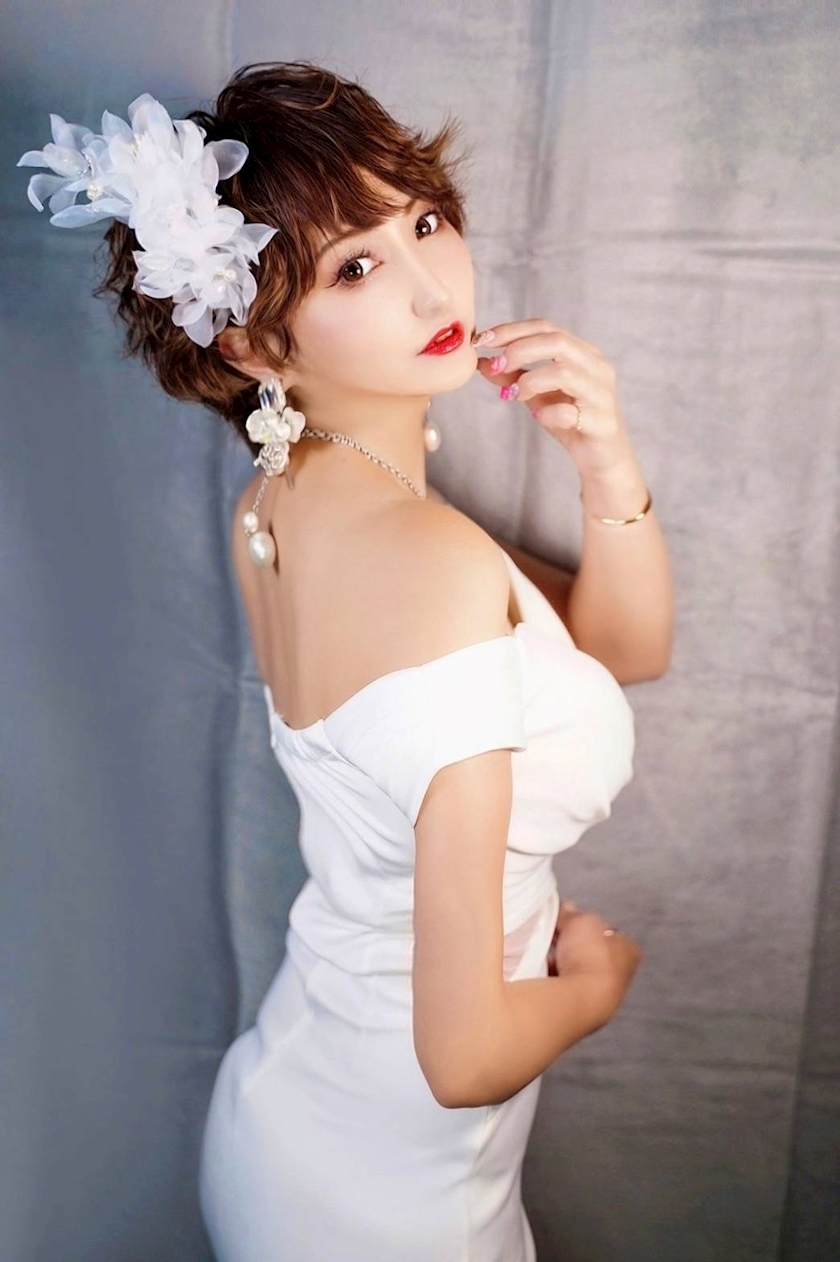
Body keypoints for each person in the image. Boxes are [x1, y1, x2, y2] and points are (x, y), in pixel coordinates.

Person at [17, 58, 650, 1262]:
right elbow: (463, 1056)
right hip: (392, 1196)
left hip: (299, 1102)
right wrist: (597, 985)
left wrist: (605, 461)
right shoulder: (426, 556)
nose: (431, 284)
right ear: (257, 342)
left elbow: (617, 644)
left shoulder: (283, 501)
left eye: (424, 220)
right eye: (356, 267)